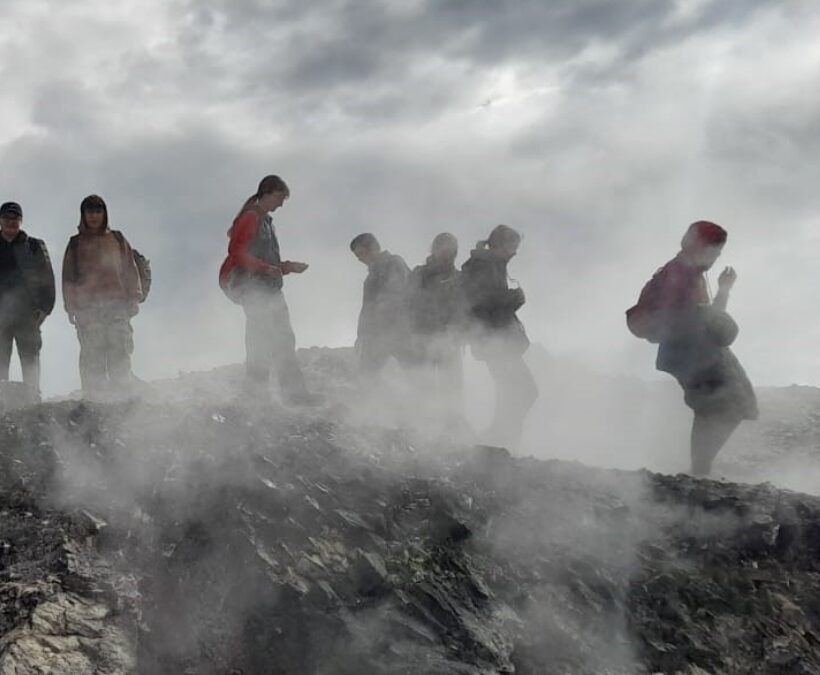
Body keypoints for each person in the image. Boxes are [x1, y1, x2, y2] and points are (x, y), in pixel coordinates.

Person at [630, 220, 757, 476]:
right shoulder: (679, 272)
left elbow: (706, 317)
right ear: (702, 246)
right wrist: (708, 316)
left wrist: (722, 291)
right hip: (689, 349)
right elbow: (680, 316)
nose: (717, 257)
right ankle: (699, 471)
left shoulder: (690, 273)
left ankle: (699, 469)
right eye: (715, 251)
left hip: (695, 348)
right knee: (727, 401)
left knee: (723, 402)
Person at [219, 175, 318, 406]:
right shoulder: (251, 218)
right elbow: (238, 253)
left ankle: (286, 395)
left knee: (281, 340)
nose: (281, 204)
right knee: (262, 341)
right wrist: (269, 269)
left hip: (267, 289)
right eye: (280, 198)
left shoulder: (265, 221)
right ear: (268, 193)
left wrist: (286, 267)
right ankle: (259, 397)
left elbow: (263, 260)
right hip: (256, 289)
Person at [461, 224, 538, 449]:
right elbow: (482, 303)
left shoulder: (488, 264)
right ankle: (498, 441)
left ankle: (499, 443)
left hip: (494, 340)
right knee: (523, 391)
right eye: (512, 246)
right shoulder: (483, 265)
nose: (514, 252)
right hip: (495, 340)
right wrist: (514, 298)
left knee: (512, 391)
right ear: (497, 244)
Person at [62, 195, 143, 399]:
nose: (94, 216)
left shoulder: (117, 239)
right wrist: (71, 307)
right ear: (83, 215)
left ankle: (122, 398)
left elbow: (130, 269)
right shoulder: (75, 243)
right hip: (88, 309)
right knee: (92, 355)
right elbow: (68, 277)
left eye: (98, 211)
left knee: (120, 351)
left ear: (104, 213)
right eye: (90, 212)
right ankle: (94, 401)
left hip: (117, 306)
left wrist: (134, 297)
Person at [0, 201, 55, 403]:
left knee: (30, 360)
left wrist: (45, 308)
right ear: (0, 220)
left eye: (15, 218)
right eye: (7, 218)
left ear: (21, 221)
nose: (11, 222)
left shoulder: (34, 246)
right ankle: (2, 407)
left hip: (27, 315)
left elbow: (47, 278)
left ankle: (33, 403)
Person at [408, 232, 465, 417]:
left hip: (451, 340)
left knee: (452, 385)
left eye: (451, 252)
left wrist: (458, 330)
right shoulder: (419, 274)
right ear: (434, 250)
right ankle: (423, 423)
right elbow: (409, 302)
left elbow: (464, 308)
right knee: (422, 383)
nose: (447, 256)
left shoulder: (459, 277)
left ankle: (452, 423)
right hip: (422, 338)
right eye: (443, 251)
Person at [350, 233, 414, 375]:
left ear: (373, 248)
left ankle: (422, 397)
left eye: (361, 253)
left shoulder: (394, 263)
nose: (360, 259)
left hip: (400, 331)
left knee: (414, 373)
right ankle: (374, 397)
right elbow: (366, 310)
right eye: (357, 256)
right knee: (367, 373)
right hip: (378, 335)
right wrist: (361, 336)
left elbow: (398, 295)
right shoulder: (369, 278)